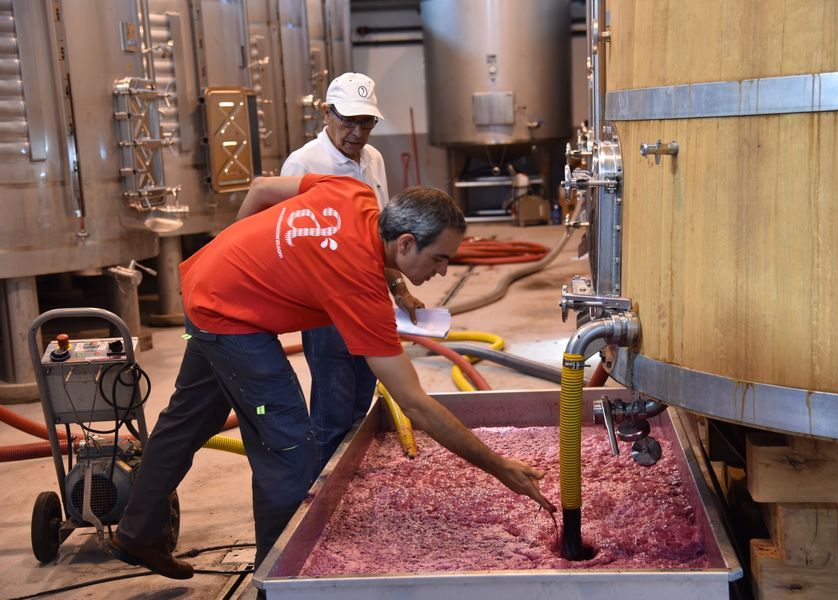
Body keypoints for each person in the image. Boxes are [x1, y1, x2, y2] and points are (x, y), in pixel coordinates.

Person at [108, 174, 555, 583]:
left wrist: (236, 257)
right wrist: (500, 468)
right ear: (403, 243)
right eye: (439, 259)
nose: (442, 271)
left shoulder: (355, 195)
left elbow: (263, 186)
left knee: (189, 419)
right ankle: (276, 584)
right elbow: (415, 402)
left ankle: (138, 532)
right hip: (229, 318)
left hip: (205, 281)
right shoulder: (358, 290)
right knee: (288, 451)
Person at [280, 72, 423, 474]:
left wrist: (398, 287)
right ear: (326, 113)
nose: (358, 132)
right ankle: (318, 507)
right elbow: (280, 235)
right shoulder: (303, 163)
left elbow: (380, 232)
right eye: (348, 121)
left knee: (363, 404)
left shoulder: (373, 159)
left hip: (369, 297)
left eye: (367, 122)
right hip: (327, 307)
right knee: (332, 412)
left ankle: (351, 491)